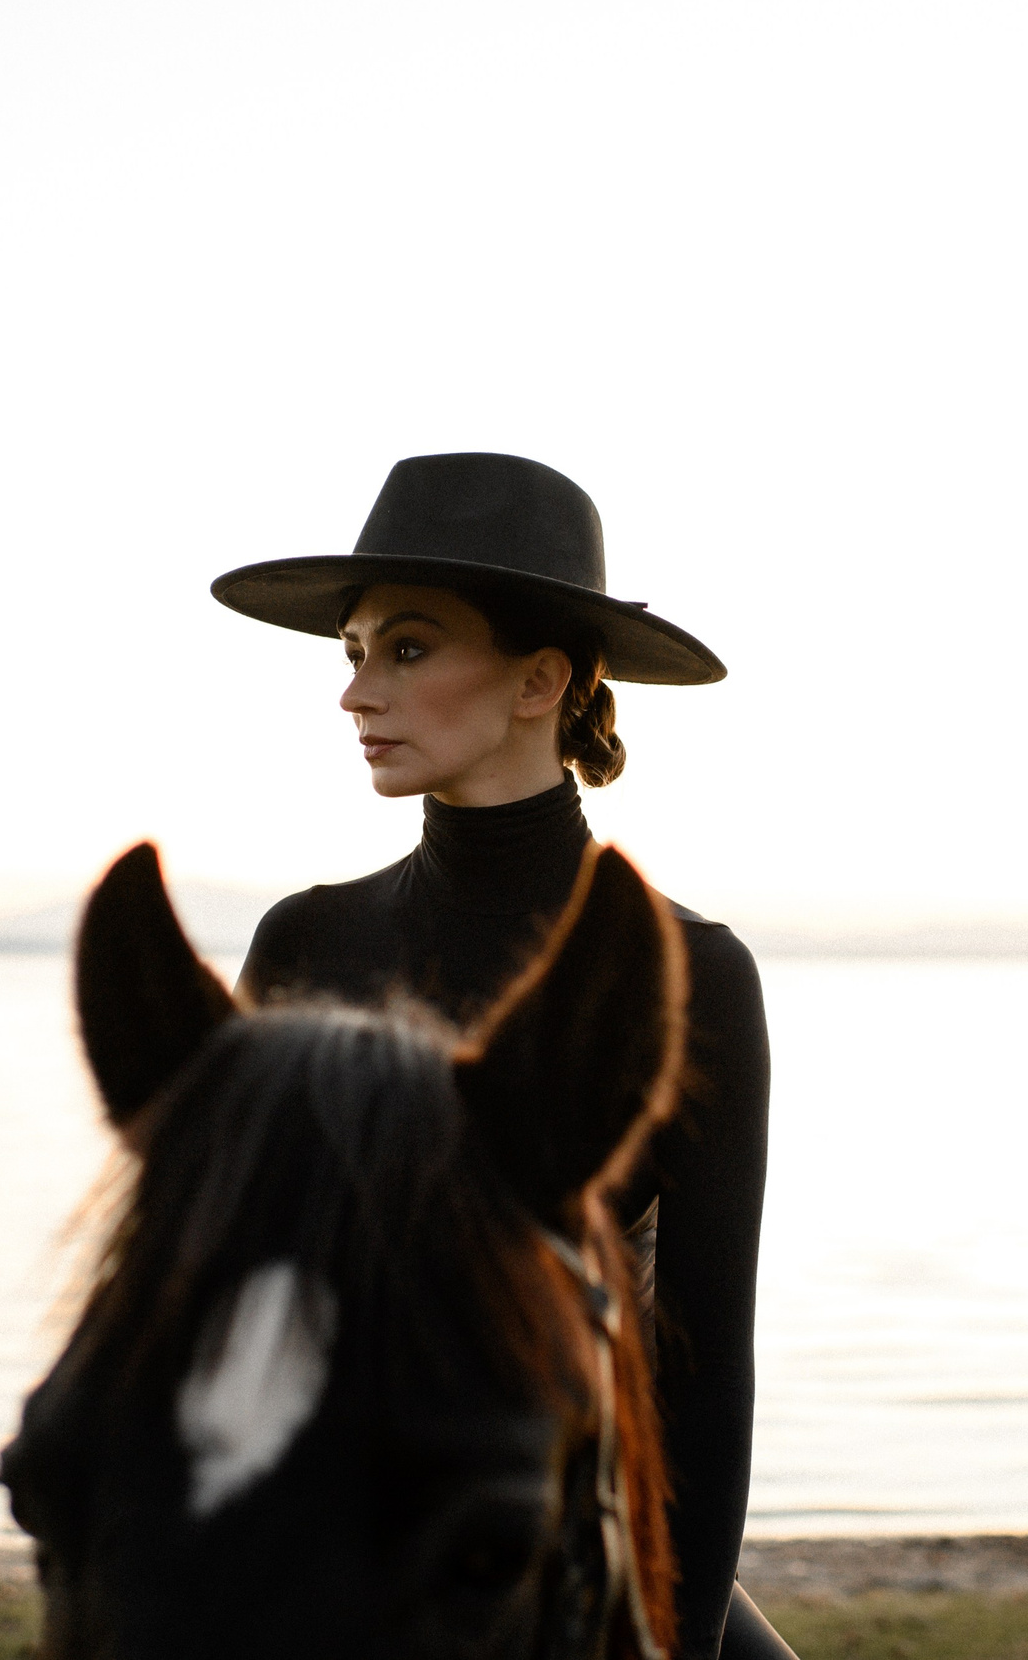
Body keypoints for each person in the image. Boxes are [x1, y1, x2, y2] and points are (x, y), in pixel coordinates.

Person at [211, 452, 796, 1660]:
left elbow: (704, 1373)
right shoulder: (304, 944)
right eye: (352, 651)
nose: (355, 692)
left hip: (592, 1553)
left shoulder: (691, 973)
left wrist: (676, 1646)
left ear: (541, 679)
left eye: (406, 648)